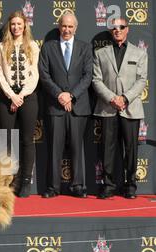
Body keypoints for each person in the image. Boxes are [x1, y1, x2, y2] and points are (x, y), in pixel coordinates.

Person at [93, 17, 148, 199]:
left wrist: (124, 98)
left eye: (121, 27)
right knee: (107, 148)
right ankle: (108, 185)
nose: (117, 30)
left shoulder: (139, 53)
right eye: (114, 27)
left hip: (130, 107)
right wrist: (112, 98)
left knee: (131, 149)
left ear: (127, 29)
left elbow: (141, 80)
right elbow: (96, 80)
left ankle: (130, 185)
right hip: (107, 108)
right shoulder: (100, 53)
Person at [39, 12, 93, 198]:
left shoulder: (85, 48)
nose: (67, 29)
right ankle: (53, 187)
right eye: (64, 26)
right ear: (59, 26)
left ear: (75, 28)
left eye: (70, 27)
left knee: (78, 147)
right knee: (54, 148)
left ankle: (78, 186)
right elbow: (44, 75)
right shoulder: (47, 48)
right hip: (55, 106)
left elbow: (88, 76)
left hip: (78, 107)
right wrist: (59, 95)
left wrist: (71, 96)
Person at [0, 11, 40, 198]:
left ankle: (26, 180)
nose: (16, 27)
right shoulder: (1, 46)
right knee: (7, 141)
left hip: (28, 97)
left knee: (27, 141)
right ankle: (9, 180)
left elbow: (35, 74)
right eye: (13, 24)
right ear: (9, 26)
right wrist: (11, 95)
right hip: (7, 98)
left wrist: (21, 95)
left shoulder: (32, 46)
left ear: (25, 26)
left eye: (19, 24)